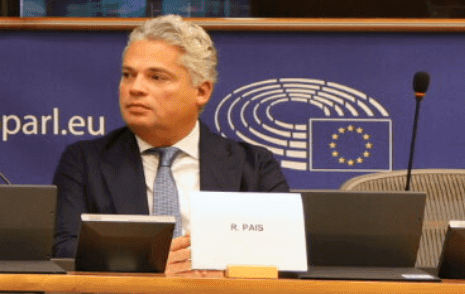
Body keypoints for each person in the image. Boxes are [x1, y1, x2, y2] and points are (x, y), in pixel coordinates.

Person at [50, 14, 288, 260]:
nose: (135, 88)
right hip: (125, 288)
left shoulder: (254, 167)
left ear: (202, 91)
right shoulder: (85, 162)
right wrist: (152, 262)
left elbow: (285, 251)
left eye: (157, 77)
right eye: (128, 74)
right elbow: (65, 249)